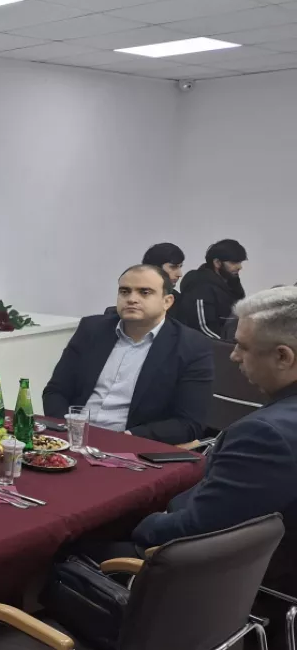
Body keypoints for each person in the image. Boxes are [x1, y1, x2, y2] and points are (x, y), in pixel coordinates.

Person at [132, 286, 297, 649]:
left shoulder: (266, 434)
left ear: (283, 357)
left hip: (244, 592)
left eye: (243, 347)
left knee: (72, 557)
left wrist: (138, 524)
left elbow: (197, 530)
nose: (233, 356)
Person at [43, 265, 214, 445]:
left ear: (167, 301)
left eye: (144, 292)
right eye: (125, 292)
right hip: (72, 438)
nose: (132, 299)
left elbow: (189, 423)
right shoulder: (92, 330)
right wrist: (69, 429)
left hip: (131, 446)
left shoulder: (191, 346)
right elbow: (56, 391)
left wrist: (125, 439)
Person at [176, 239, 248, 339]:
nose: (239, 267)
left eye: (240, 262)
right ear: (217, 263)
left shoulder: (232, 283)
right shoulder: (200, 287)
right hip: (210, 346)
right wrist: (230, 346)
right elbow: (203, 329)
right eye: (233, 262)